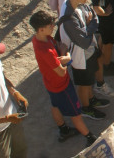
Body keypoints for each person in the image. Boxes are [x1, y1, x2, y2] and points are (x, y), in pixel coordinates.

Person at [28, 11, 98, 146]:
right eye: (50, 25)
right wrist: (67, 58)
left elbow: (60, 45)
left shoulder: (38, 38)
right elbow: (61, 71)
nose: (53, 26)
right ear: (41, 29)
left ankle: (63, 129)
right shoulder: (47, 51)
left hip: (50, 84)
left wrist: (63, 54)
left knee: (55, 106)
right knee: (76, 113)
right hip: (62, 85)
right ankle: (90, 137)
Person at [60, 0, 111, 120]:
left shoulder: (77, 4)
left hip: (88, 53)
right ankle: (86, 107)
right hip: (80, 57)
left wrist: (89, 26)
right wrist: (90, 26)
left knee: (89, 81)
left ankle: (91, 99)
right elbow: (83, 42)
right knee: (83, 84)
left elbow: (93, 16)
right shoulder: (69, 18)